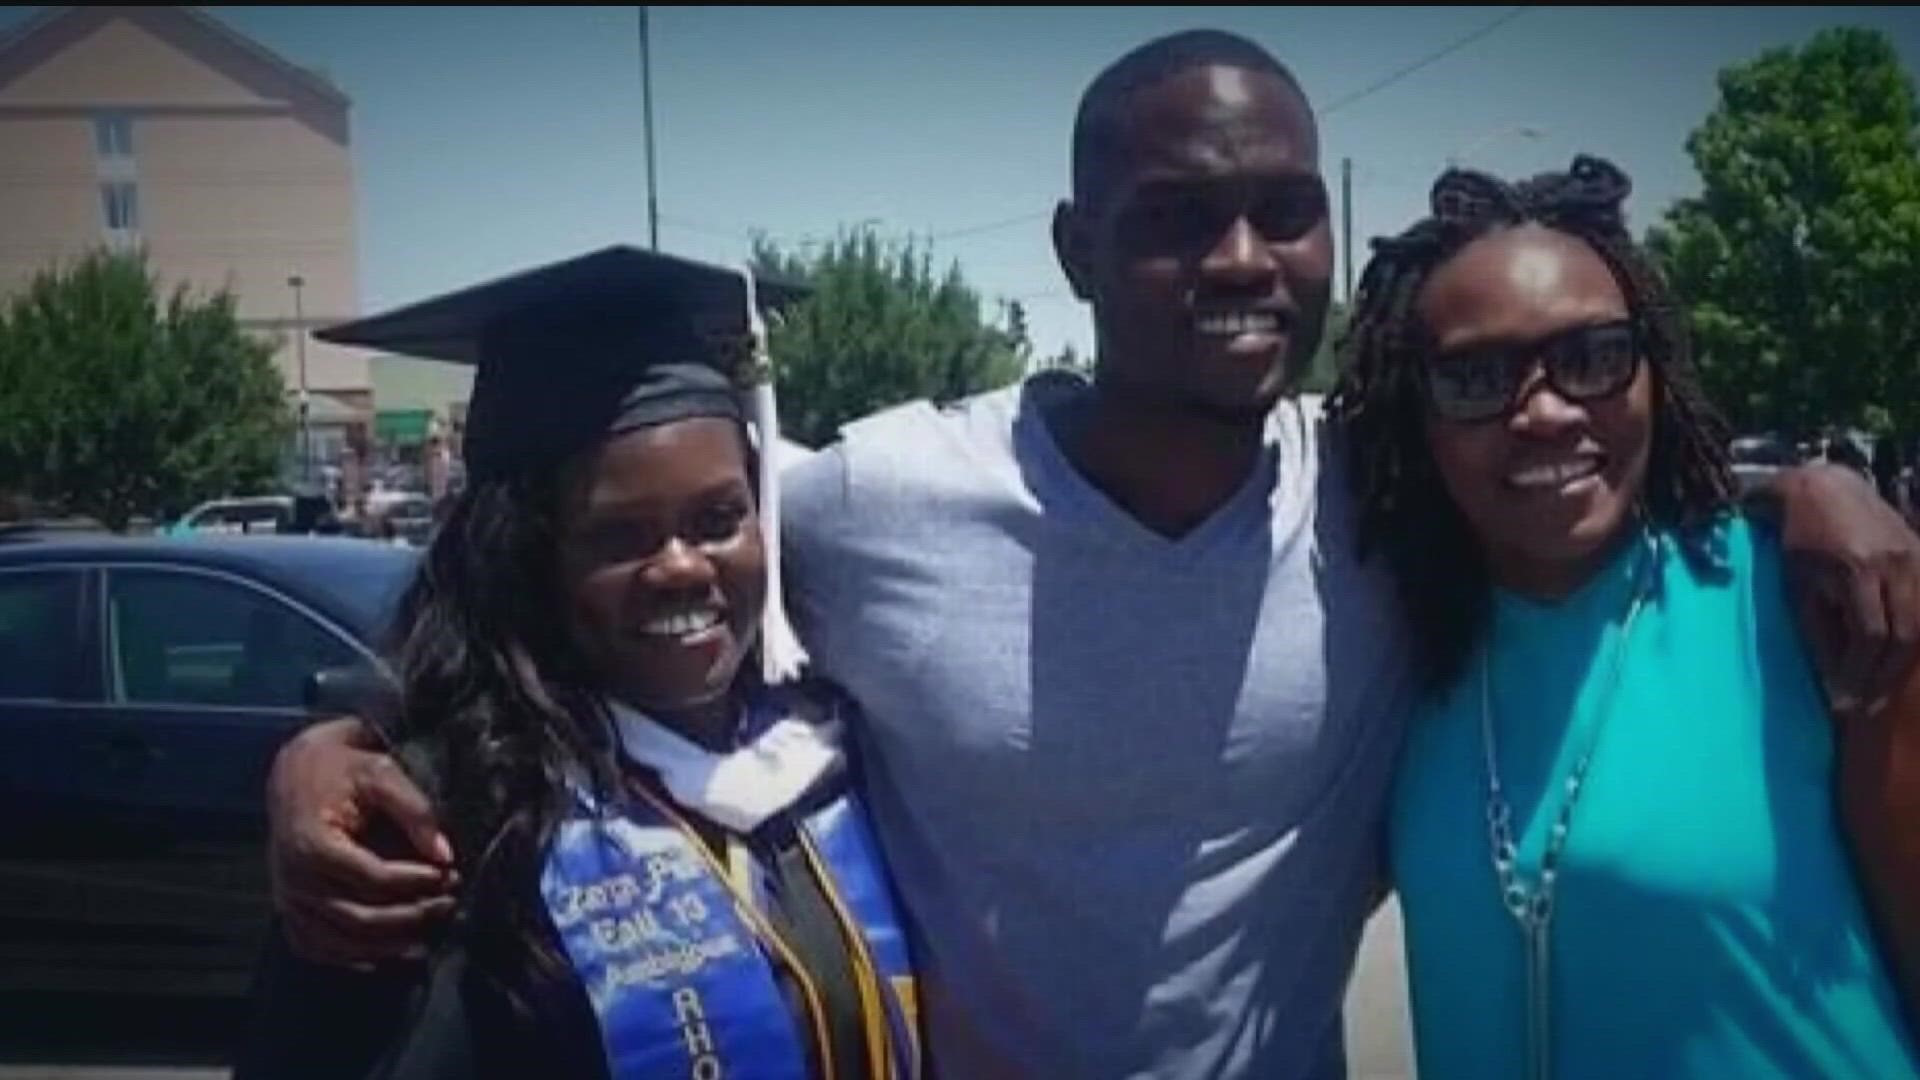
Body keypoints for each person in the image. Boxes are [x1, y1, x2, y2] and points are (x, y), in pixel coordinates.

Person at [259, 31, 1920, 1079]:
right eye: (1178, 217)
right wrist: (330, 751)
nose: (1244, 258)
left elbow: (1591, 469)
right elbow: (585, 607)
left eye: (1284, 208)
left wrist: (1810, 496)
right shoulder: (872, 504)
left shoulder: (1380, 491)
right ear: (1075, 245)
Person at [235, 247, 920, 1079]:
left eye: (718, 518)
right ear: (526, 558)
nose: (681, 565)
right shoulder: (445, 828)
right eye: (618, 534)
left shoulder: (834, 759)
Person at [1330, 156, 1920, 1078]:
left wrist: (1811, 483)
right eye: (1476, 376)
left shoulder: (1818, 608)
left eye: (1594, 357)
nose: (1549, 411)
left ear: (1652, 370)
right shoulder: (1396, 651)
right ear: (1417, 416)